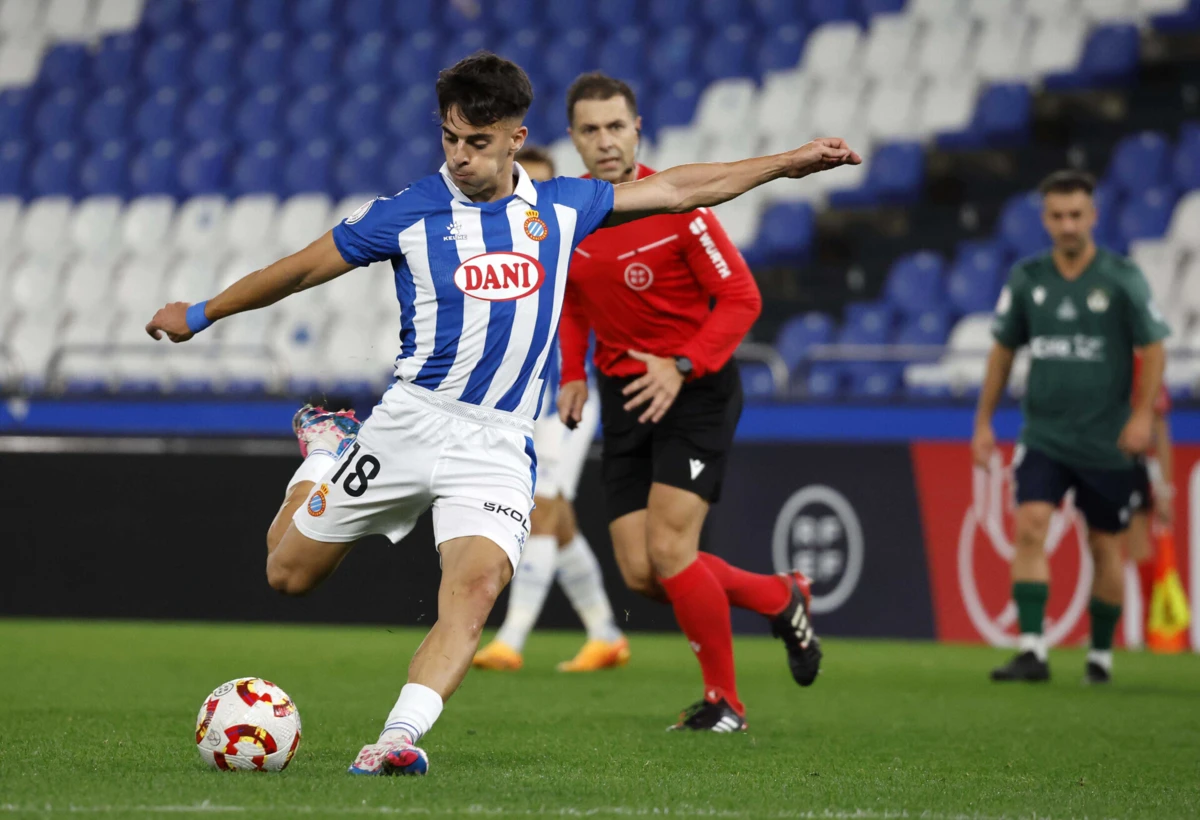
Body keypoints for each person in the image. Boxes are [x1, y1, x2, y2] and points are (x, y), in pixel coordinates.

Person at [145, 52, 860, 774]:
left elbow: (679, 187)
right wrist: (202, 313)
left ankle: (395, 741)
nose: (460, 156)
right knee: (287, 575)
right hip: (407, 425)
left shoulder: (563, 206)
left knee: (476, 588)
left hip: (496, 444)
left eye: (477, 142)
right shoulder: (408, 212)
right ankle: (328, 452)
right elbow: (302, 267)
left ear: (516, 139)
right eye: (450, 138)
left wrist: (788, 162)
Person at [554, 72, 823, 733]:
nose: (604, 141)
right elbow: (572, 300)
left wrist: (681, 364)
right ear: (574, 139)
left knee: (673, 552)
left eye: (616, 126)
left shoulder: (679, 208)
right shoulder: (570, 216)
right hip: (624, 398)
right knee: (646, 574)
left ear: (637, 128)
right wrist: (573, 372)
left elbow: (743, 300)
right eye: (590, 130)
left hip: (695, 390)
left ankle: (724, 703)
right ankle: (778, 596)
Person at [972, 170, 1170, 685]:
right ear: (1045, 219)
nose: (1067, 224)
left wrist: (1143, 414)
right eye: (1058, 216)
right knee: (1031, 524)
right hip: (1044, 436)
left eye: (1076, 214)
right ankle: (1033, 649)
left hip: (1106, 440)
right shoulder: (1027, 278)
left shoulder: (1122, 277)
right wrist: (983, 421)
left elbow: (1153, 347)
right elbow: (1002, 351)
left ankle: (1100, 657)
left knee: (1105, 547)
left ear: (1093, 216)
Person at [473, 145, 630, 673]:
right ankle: (605, 634)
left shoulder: (571, 245)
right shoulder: (496, 251)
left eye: (539, 188)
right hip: (518, 399)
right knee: (557, 519)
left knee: (540, 506)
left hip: (567, 395)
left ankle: (511, 641)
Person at [1127, 351, 1174, 639]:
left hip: (1131, 464)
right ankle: (1103, 632)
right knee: (1100, 547)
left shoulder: (1145, 363)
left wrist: (1166, 489)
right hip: (1095, 462)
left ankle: (1148, 629)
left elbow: (1159, 427)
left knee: (1137, 548)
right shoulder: (1096, 353)